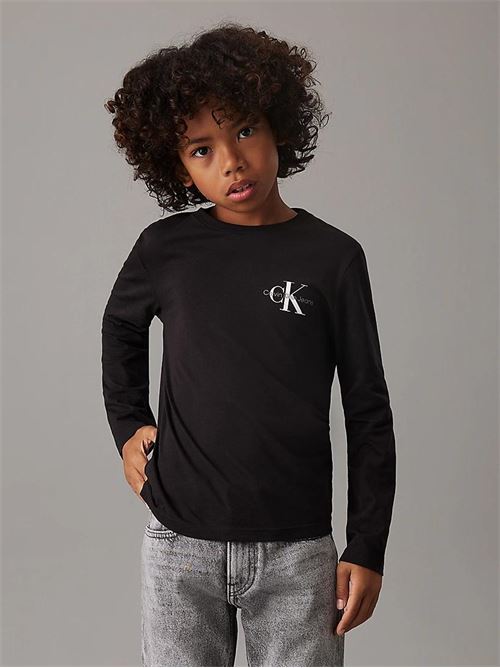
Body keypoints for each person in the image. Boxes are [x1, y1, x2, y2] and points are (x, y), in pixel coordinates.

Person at [101, 21, 396, 668]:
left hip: (299, 553)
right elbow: (120, 327)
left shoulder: (334, 259)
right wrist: (128, 424)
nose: (231, 161)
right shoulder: (165, 250)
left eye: (243, 130)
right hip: (179, 545)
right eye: (200, 149)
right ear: (177, 167)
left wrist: (367, 545)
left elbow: (368, 409)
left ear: (277, 126)